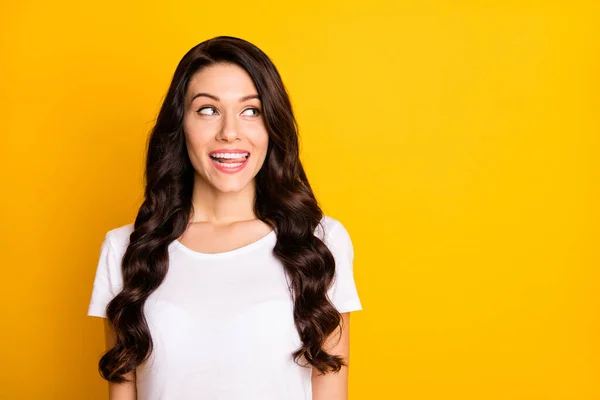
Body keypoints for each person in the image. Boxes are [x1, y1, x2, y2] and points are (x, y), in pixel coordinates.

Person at [87, 35, 362, 400]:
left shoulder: (320, 242)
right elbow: (124, 390)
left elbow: (330, 388)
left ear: (271, 126)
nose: (230, 132)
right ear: (180, 125)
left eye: (251, 111)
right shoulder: (126, 248)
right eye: (208, 110)